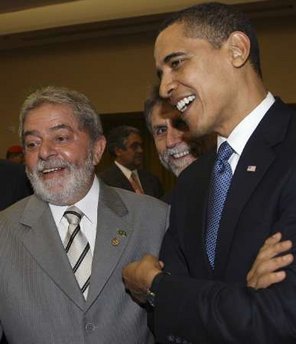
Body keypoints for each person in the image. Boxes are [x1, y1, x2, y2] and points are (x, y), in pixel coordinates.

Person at [123, 2, 296, 343]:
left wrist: (158, 287)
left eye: (176, 63)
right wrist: (241, 295)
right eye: (161, 74)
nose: (164, 88)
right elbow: (165, 326)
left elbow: (279, 317)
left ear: (236, 50)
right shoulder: (192, 181)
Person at [0, 86, 169, 344]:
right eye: (32, 143)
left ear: (97, 149)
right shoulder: (4, 232)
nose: (44, 152)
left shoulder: (155, 219)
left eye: (60, 138)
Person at [100, 125, 163, 198]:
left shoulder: (152, 180)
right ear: (118, 151)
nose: (140, 150)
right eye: (134, 146)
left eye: (140, 146)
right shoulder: (104, 182)